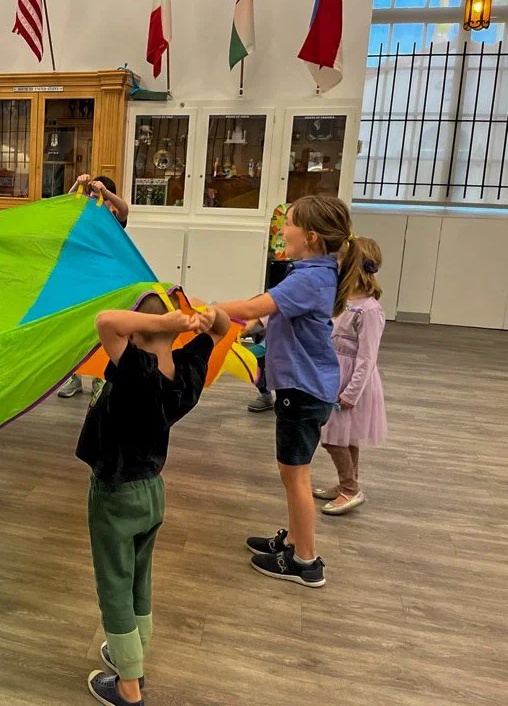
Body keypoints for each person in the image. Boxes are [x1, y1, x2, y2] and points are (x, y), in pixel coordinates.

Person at [197, 195, 359, 588]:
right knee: (293, 475)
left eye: (288, 224)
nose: (281, 231)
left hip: (303, 392)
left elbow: (256, 307)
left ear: (312, 236)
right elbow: (270, 316)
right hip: (305, 388)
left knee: (295, 477)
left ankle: (306, 562)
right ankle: (296, 542)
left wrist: (209, 307)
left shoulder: (311, 277)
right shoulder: (310, 271)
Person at [78, 296, 231, 706]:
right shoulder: (183, 372)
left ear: (140, 330)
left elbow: (105, 320)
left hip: (116, 494)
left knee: (114, 584)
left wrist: (163, 319)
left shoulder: (136, 369)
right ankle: (133, 649)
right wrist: (207, 318)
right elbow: (222, 328)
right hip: (151, 491)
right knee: (139, 577)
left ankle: (129, 685)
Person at [315, 237, 388, 515]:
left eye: (342, 261)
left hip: (351, 381)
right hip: (333, 374)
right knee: (345, 437)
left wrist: (351, 392)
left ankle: (350, 490)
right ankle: (348, 483)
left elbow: (368, 357)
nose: (337, 265)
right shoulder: (342, 299)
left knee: (332, 438)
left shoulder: (369, 310)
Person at [59, 174, 129, 402]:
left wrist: (105, 193)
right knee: (77, 328)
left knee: (102, 328)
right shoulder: (83, 213)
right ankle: (74, 376)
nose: (95, 198)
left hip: (107, 280)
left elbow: (124, 208)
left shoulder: (113, 215)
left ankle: (99, 376)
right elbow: (65, 204)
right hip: (81, 278)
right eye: (93, 194)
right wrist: (77, 184)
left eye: (100, 195)